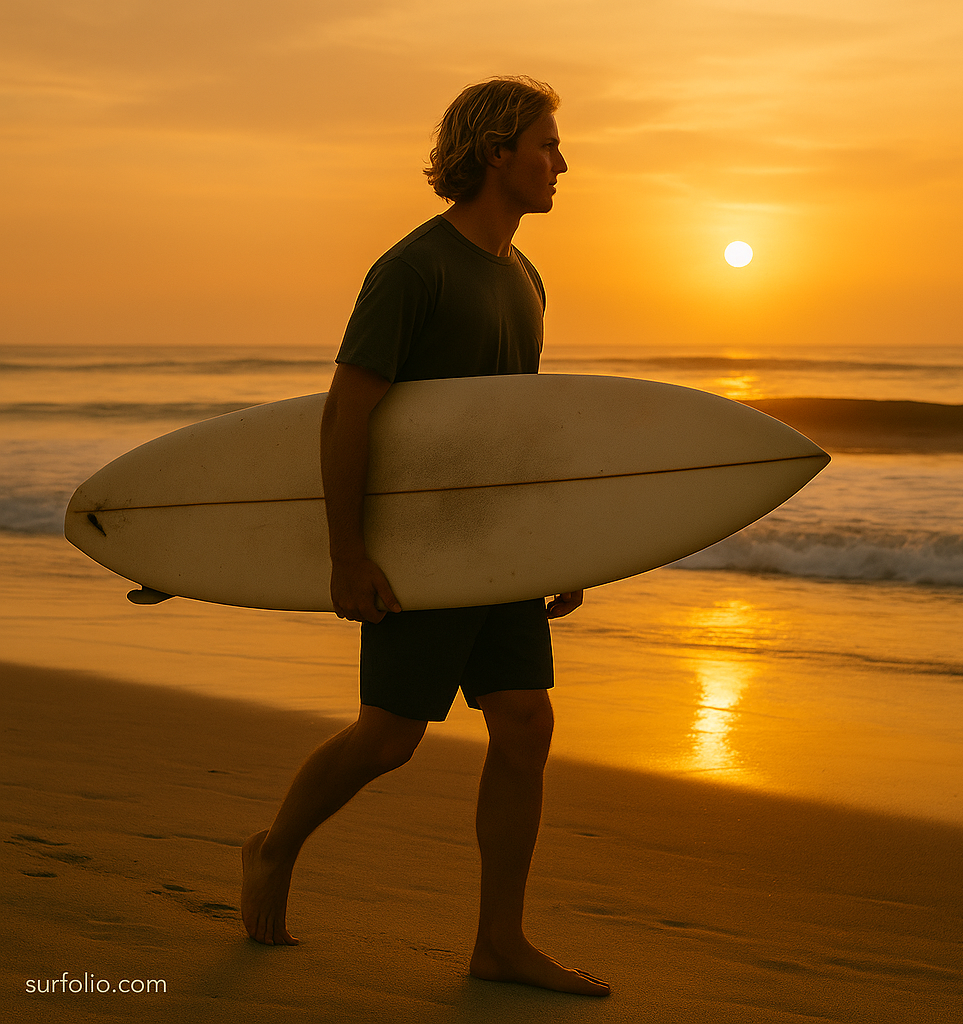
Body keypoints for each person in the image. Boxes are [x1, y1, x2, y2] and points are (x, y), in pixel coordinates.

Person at [240, 76, 609, 998]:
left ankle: (498, 941)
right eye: (546, 144)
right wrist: (347, 553)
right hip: (421, 545)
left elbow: (512, 430)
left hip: (499, 546)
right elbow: (349, 412)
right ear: (496, 153)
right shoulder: (413, 270)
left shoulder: (526, 277)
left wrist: (553, 545)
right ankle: (273, 847)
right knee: (390, 738)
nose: (561, 162)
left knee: (526, 723)